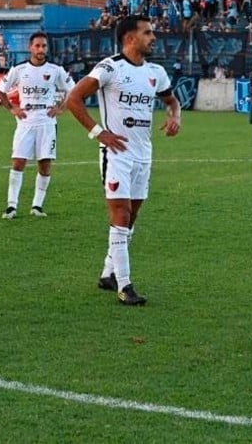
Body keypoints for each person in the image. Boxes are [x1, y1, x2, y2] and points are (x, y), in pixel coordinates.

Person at [65, 15, 181, 306]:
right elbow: (73, 98)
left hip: (144, 154)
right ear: (130, 38)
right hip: (116, 154)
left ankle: (108, 273)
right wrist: (98, 132)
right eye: (148, 32)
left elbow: (171, 101)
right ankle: (125, 285)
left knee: (133, 216)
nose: (153, 37)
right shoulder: (109, 67)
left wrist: (174, 116)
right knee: (121, 216)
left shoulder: (156, 72)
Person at [0, 32, 75, 219]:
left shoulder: (56, 70)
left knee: (45, 164)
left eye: (44, 46)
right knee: (18, 162)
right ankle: (11, 206)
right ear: (30, 48)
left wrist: (61, 108)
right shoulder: (19, 70)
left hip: (47, 123)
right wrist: (12, 108)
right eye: (37, 46)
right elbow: (0, 90)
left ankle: (37, 206)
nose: (41, 49)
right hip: (25, 122)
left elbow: (74, 90)